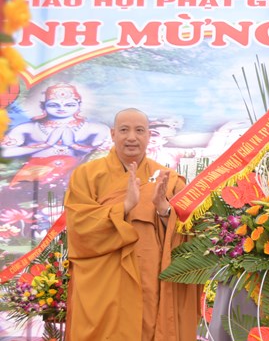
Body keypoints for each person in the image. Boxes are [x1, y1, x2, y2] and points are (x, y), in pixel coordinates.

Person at [64, 108, 201, 341]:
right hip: (103, 280)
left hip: (149, 277)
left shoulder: (167, 179)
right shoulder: (86, 175)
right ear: (113, 134)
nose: (131, 137)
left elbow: (189, 234)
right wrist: (124, 207)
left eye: (139, 131)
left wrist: (164, 209)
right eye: (124, 130)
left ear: (149, 135)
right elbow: (79, 227)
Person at [1, 83, 111, 185]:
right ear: (43, 106)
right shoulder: (27, 128)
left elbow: (106, 153)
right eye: (53, 105)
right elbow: (4, 152)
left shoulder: (96, 129)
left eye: (69, 105)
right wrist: (45, 145)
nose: (61, 108)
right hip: (34, 174)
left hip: (78, 174)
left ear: (79, 106)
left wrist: (74, 146)